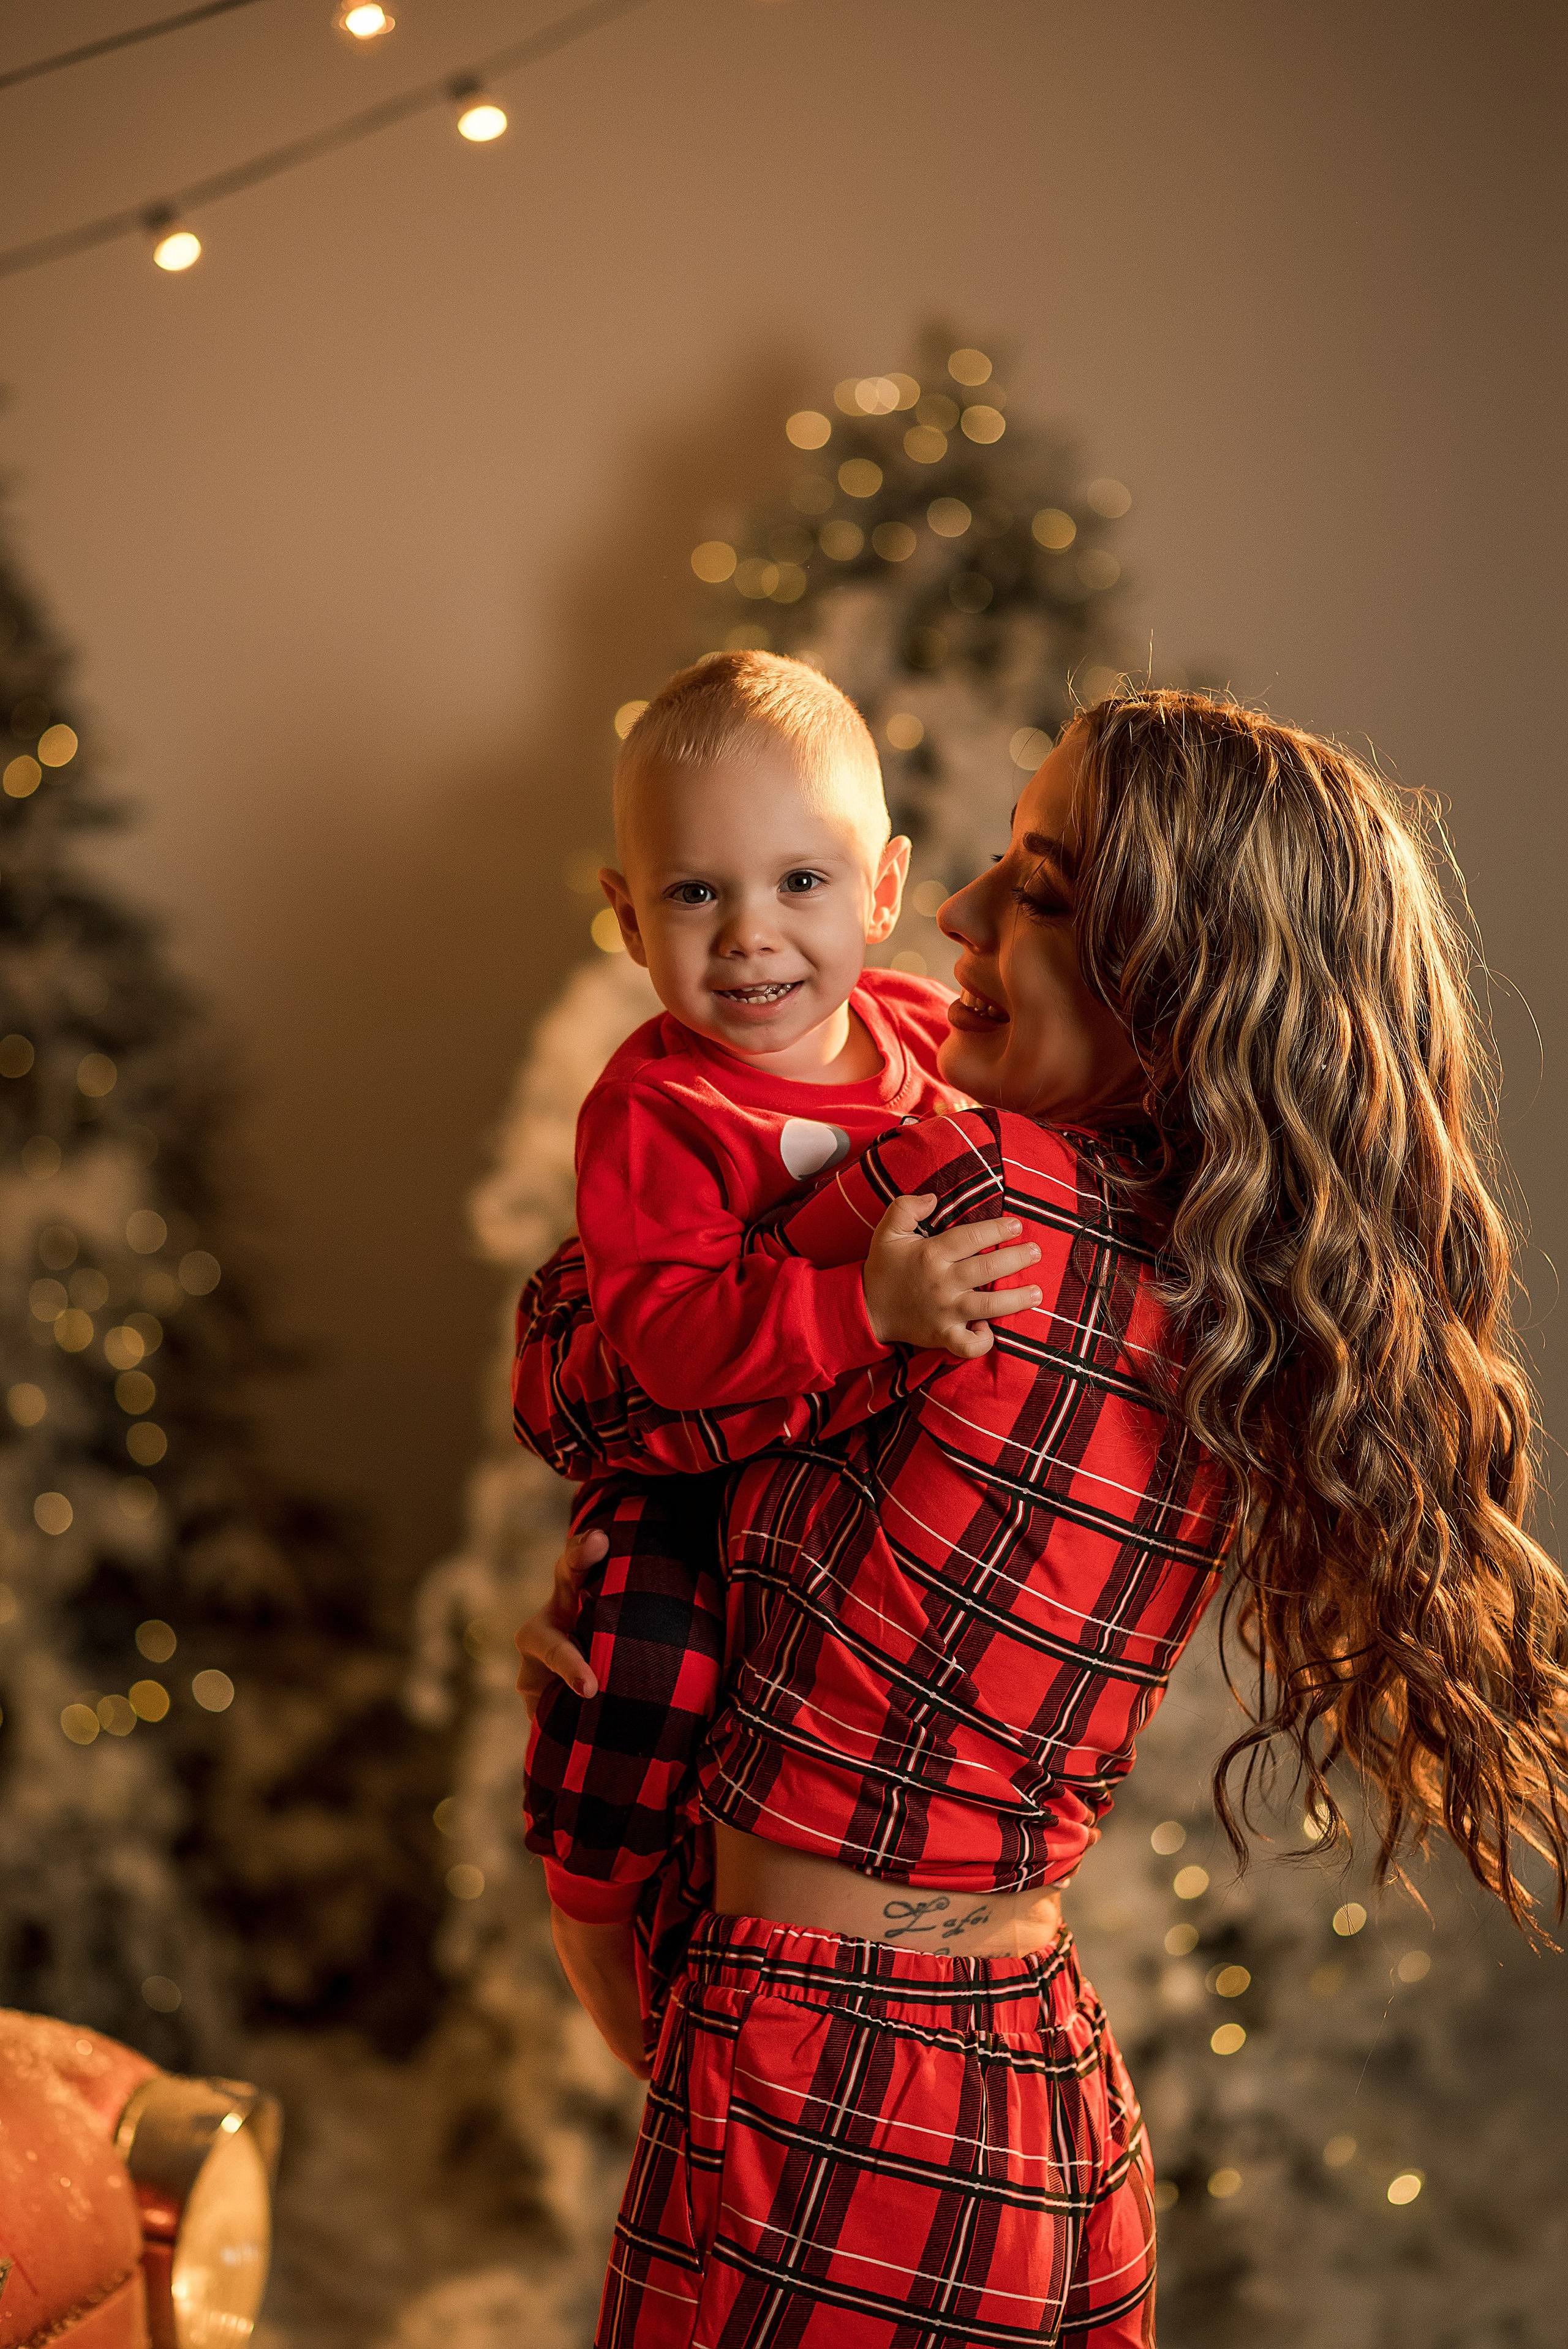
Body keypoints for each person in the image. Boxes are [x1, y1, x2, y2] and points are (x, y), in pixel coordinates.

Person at [516, 690, 1568, 2348]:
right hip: (1027, 2073)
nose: (956, 920)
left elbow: (582, 1361)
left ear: (1182, 982)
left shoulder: (981, 1197)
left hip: (828, 2084)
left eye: (1047, 894)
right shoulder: (1245, 1294)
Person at [533, 647, 1039, 2044]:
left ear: (880, 890)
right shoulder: (654, 1112)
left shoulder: (931, 1042)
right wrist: (863, 1310)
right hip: (688, 1485)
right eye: (697, 893)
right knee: (645, 1671)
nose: (751, 934)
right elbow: (673, 1345)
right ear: (629, 919)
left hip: (848, 1480)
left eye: (799, 884)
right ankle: (587, 1914)